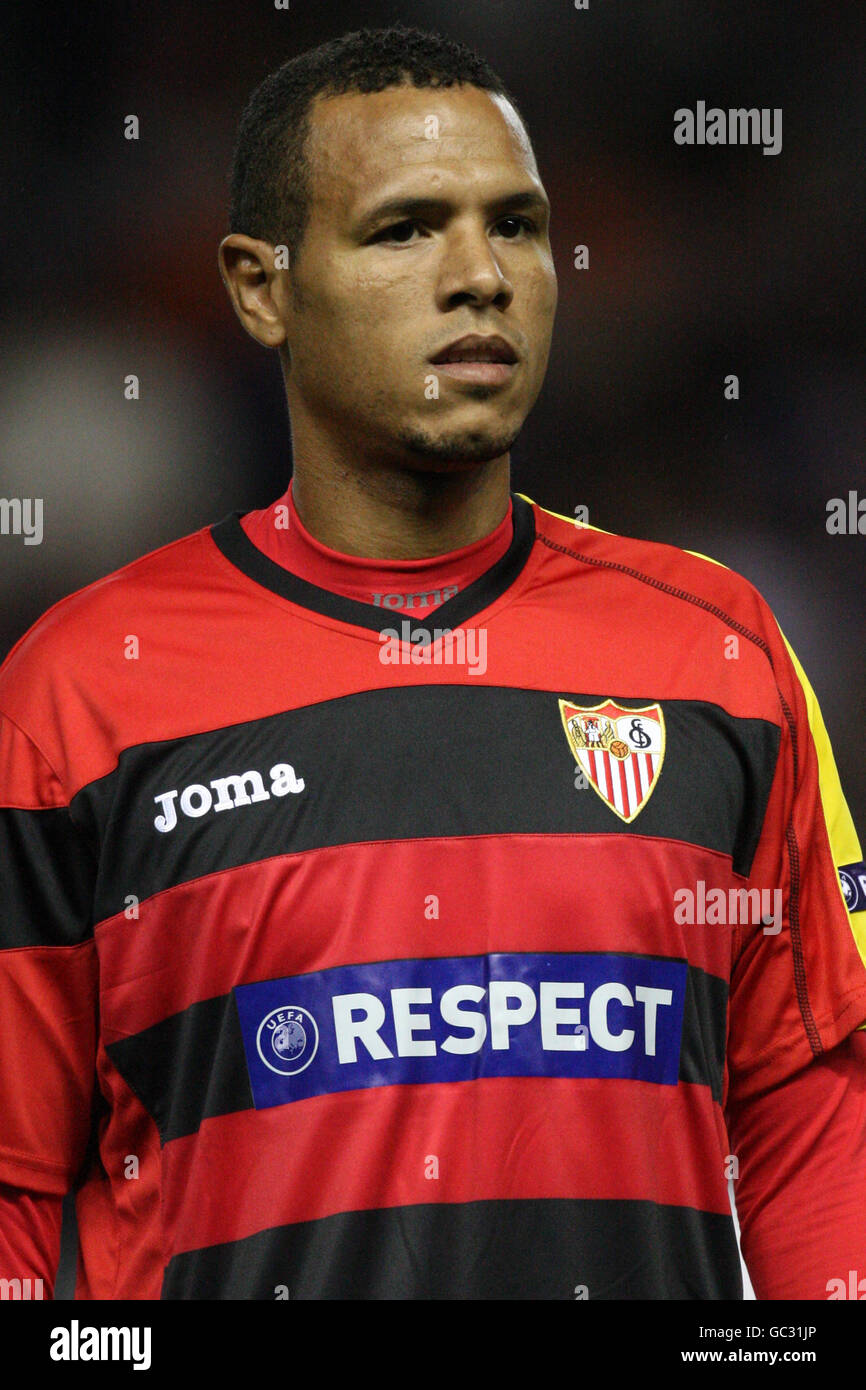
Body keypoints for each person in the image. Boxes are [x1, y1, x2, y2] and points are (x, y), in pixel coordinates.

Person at [1, 23, 864, 1301]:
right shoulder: (76, 693)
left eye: (515, 225)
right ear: (259, 286)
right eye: (405, 229)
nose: (482, 275)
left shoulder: (719, 652)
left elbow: (813, 1113)